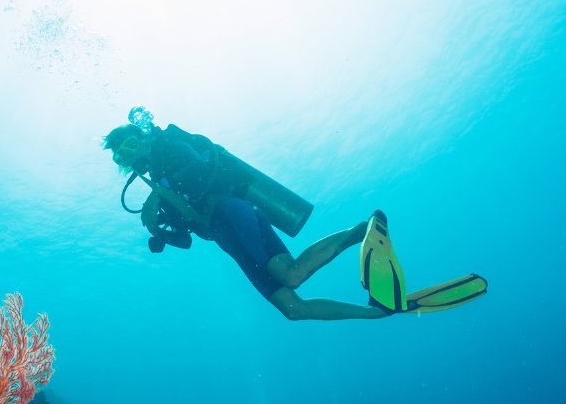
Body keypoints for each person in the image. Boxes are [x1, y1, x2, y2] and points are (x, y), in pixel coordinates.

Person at [104, 120, 391, 322]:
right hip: (225, 236)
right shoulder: (155, 178)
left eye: (130, 144)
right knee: (292, 309)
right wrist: (162, 234)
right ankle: (374, 312)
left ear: (142, 136)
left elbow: (201, 168)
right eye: (121, 155)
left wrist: (159, 196)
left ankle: (362, 231)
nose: (130, 155)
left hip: (232, 213)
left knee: (291, 274)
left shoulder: (168, 146)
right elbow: (186, 237)